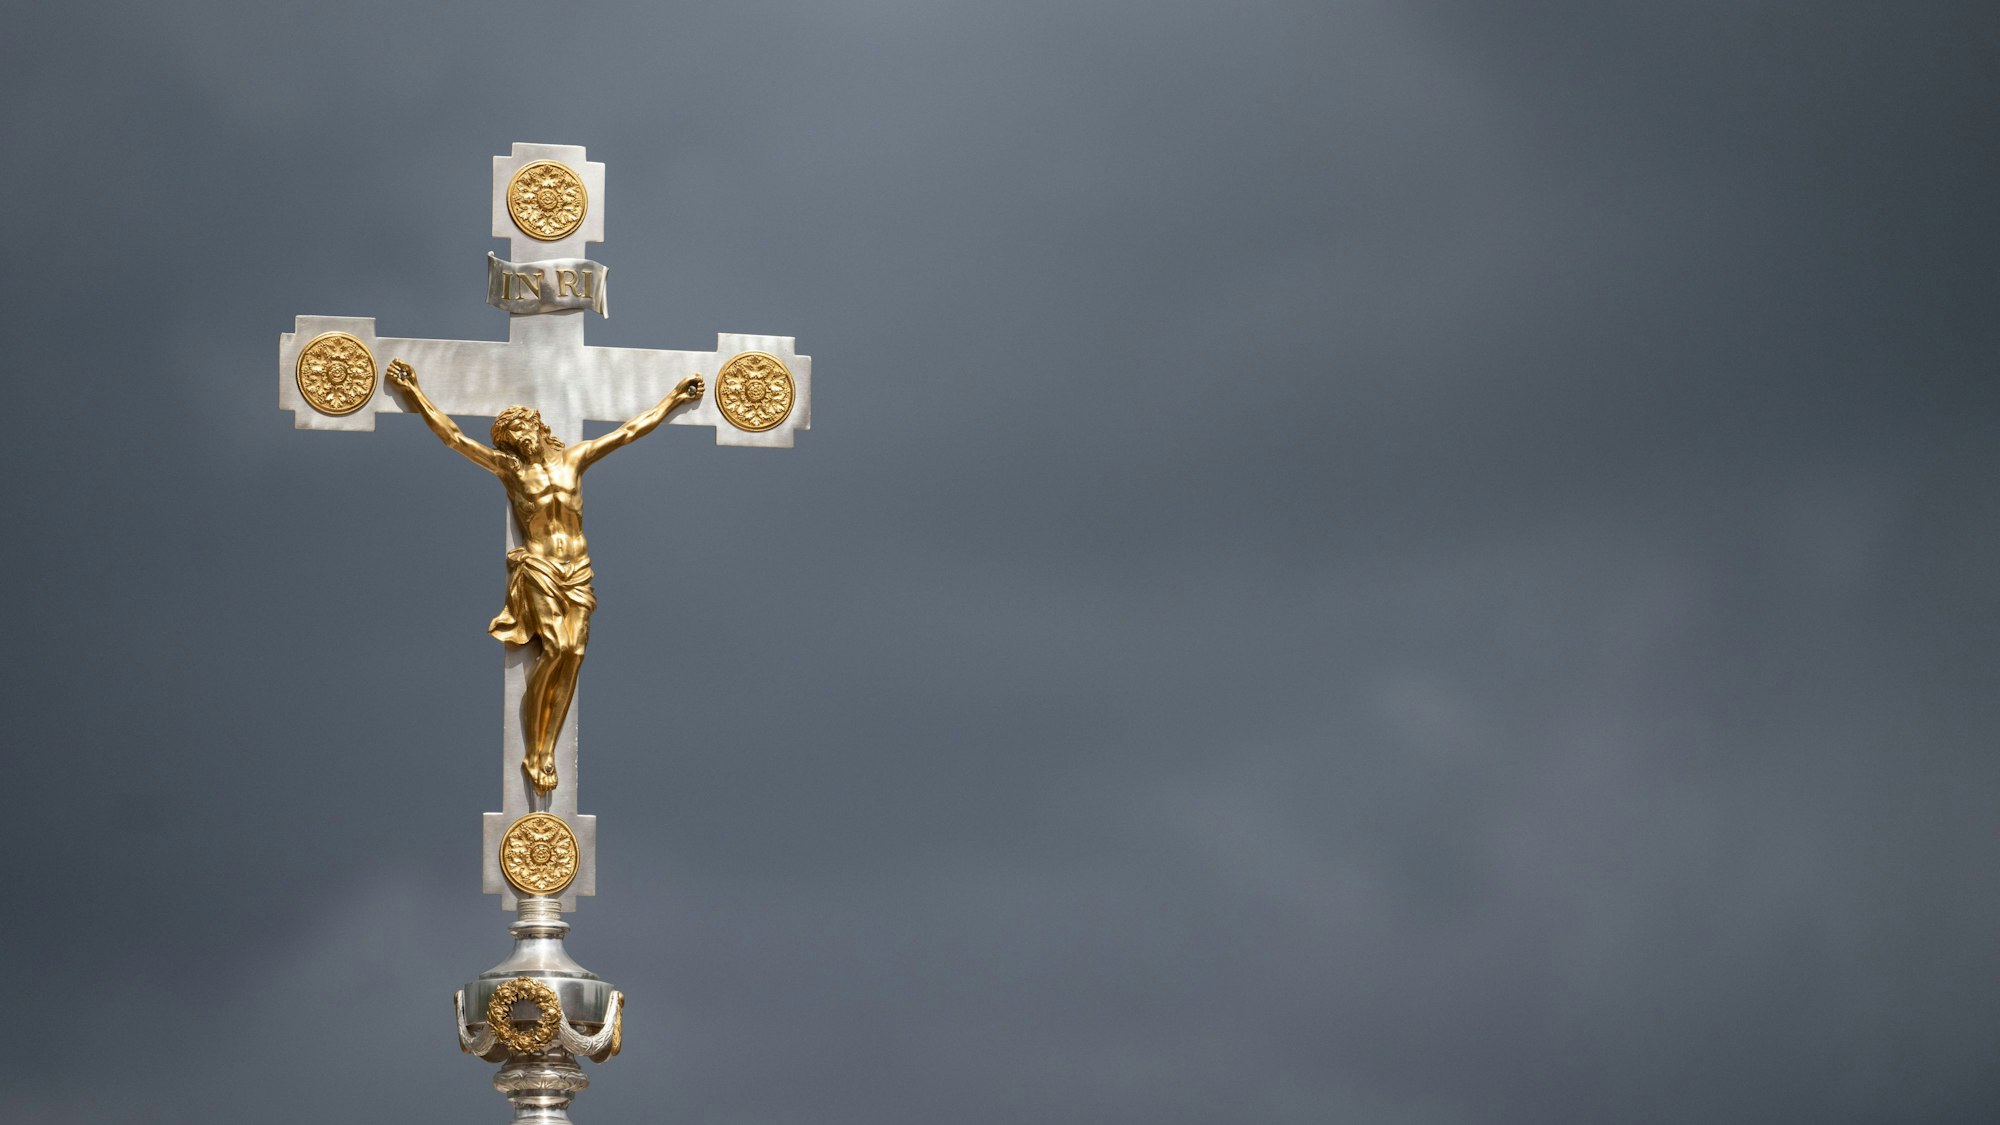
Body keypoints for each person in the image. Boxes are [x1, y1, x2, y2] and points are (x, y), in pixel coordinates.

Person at [386, 358, 705, 796]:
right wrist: (415, 392)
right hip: (538, 567)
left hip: (577, 569)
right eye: (508, 436)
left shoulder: (574, 458)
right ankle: (537, 752)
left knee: (573, 653)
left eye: (520, 429)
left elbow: (629, 431)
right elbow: (455, 437)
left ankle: (547, 744)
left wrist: (672, 399)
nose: (517, 439)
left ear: (536, 425)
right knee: (554, 648)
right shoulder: (512, 471)